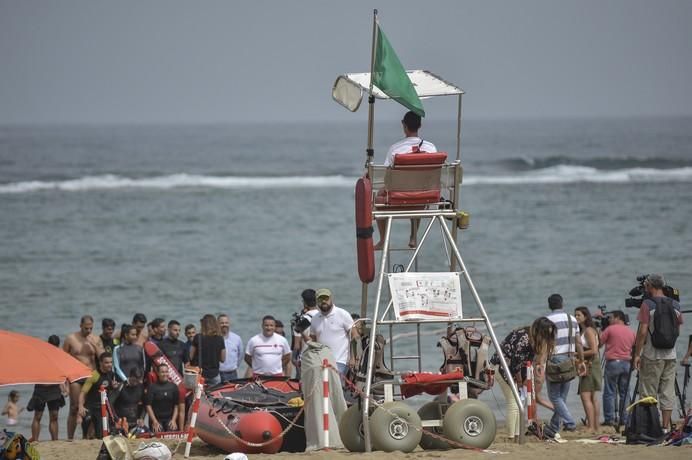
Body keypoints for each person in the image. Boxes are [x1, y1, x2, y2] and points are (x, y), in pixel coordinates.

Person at [374, 111, 438, 250]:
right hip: (424, 198)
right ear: (420, 125)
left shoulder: (395, 149)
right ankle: (414, 236)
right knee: (419, 190)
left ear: (403, 125)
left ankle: (383, 240)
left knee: (378, 196)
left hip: (398, 198)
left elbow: (387, 177)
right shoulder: (431, 148)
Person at [490, 317, 556, 440]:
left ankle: (516, 435)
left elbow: (527, 360)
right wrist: (520, 381)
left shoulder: (532, 337)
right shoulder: (525, 338)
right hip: (501, 366)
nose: (548, 338)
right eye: (546, 334)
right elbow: (516, 363)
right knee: (513, 402)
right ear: (539, 330)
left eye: (550, 334)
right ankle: (511, 436)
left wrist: (532, 371)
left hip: (513, 368)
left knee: (520, 402)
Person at [633, 273, 683, 432]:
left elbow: (642, 332)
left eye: (646, 285)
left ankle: (649, 427)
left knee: (648, 392)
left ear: (651, 287)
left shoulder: (647, 304)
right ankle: (665, 428)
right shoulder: (676, 304)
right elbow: (678, 330)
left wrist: (636, 354)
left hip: (651, 355)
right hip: (671, 354)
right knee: (668, 392)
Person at [546, 294, 586, 434]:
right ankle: (554, 427)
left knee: (554, 397)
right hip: (569, 359)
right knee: (561, 397)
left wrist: (539, 362)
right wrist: (581, 361)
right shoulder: (572, 319)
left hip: (555, 359)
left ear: (549, 305)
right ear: (562, 304)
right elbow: (578, 343)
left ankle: (569, 422)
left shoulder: (548, 320)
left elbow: (545, 344)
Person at [63, 315, 104, 440]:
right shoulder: (71, 339)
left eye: (91, 328)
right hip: (75, 377)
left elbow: (103, 357)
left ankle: (87, 436)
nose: (89, 331)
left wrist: (94, 344)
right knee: (75, 407)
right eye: (86, 328)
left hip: (91, 376)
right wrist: (64, 382)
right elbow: (62, 359)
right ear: (80, 326)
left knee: (91, 408)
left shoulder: (96, 338)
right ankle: (70, 437)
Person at [308, 289, 358, 377]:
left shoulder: (342, 314)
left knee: (334, 384)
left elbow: (354, 335)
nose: (324, 301)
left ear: (331, 299)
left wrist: (353, 358)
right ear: (316, 301)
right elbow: (312, 340)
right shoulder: (315, 318)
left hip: (340, 361)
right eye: (320, 299)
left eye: (326, 298)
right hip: (321, 361)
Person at [599, 310, 635, 429]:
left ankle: (609, 419)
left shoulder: (610, 329)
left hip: (613, 363)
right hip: (627, 363)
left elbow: (599, 342)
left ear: (617, 317)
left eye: (610, 318)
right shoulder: (631, 331)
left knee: (609, 392)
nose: (609, 320)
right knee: (625, 393)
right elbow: (635, 347)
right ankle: (625, 418)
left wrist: (601, 328)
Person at [27, 335, 67, 441]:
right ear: (47, 344)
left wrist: (64, 386)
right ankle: (35, 440)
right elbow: (34, 370)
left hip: (54, 388)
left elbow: (62, 372)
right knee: (38, 416)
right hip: (41, 388)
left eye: (55, 346)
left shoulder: (59, 355)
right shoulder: (40, 355)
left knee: (54, 415)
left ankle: (55, 440)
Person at [78, 352, 120, 439]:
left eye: (111, 362)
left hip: (102, 408)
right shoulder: (94, 375)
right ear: (100, 363)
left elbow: (109, 388)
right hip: (90, 406)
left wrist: (113, 387)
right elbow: (83, 393)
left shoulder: (111, 374)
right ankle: (84, 437)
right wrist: (80, 406)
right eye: (106, 362)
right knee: (87, 419)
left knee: (100, 435)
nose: (109, 365)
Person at [574, 306, 602, 433]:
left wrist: (577, 355)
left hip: (590, 363)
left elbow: (594, 350)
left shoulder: (589, 331)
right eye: (575, 315)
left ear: (586, 317)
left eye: (578, 315)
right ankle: (595, 425)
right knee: (592, 396)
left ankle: (591, 426)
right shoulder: (584, 330)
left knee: (586, 396)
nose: (576, 317)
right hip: (590, 363)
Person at [189, 314, 226, 385]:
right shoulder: (220, 338)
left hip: (200, 374)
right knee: (214, 395)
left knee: (199, 395)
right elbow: (223, 359)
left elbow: (190, 356)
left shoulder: (198, 337)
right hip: (214, 374)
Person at [145, 363, 181, 433]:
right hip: (156, 419)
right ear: (158, 373)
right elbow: (148, 406)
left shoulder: (173, 387)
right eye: (162, 372)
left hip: (169, 419)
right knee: (158, 433)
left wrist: (173, 420)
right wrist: (154, 421)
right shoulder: (152, 387)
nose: (165, 374)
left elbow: (176, 405)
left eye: (166, 372)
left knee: (172, 433)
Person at [292, 289, 319, 379]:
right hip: (321, 356)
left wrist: (294, 358)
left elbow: (296, 345)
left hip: (305, 358)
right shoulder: (322, 316)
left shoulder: (302, 320)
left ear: (304, 302)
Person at [217, 314, 243, 382]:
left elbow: (240, 355)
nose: (224, 325)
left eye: (226, 323)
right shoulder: (214, 339)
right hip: (217, 374)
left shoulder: (237, 338)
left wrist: (234, 366)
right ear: (217, 324)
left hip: (232, 374)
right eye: (222, 323)